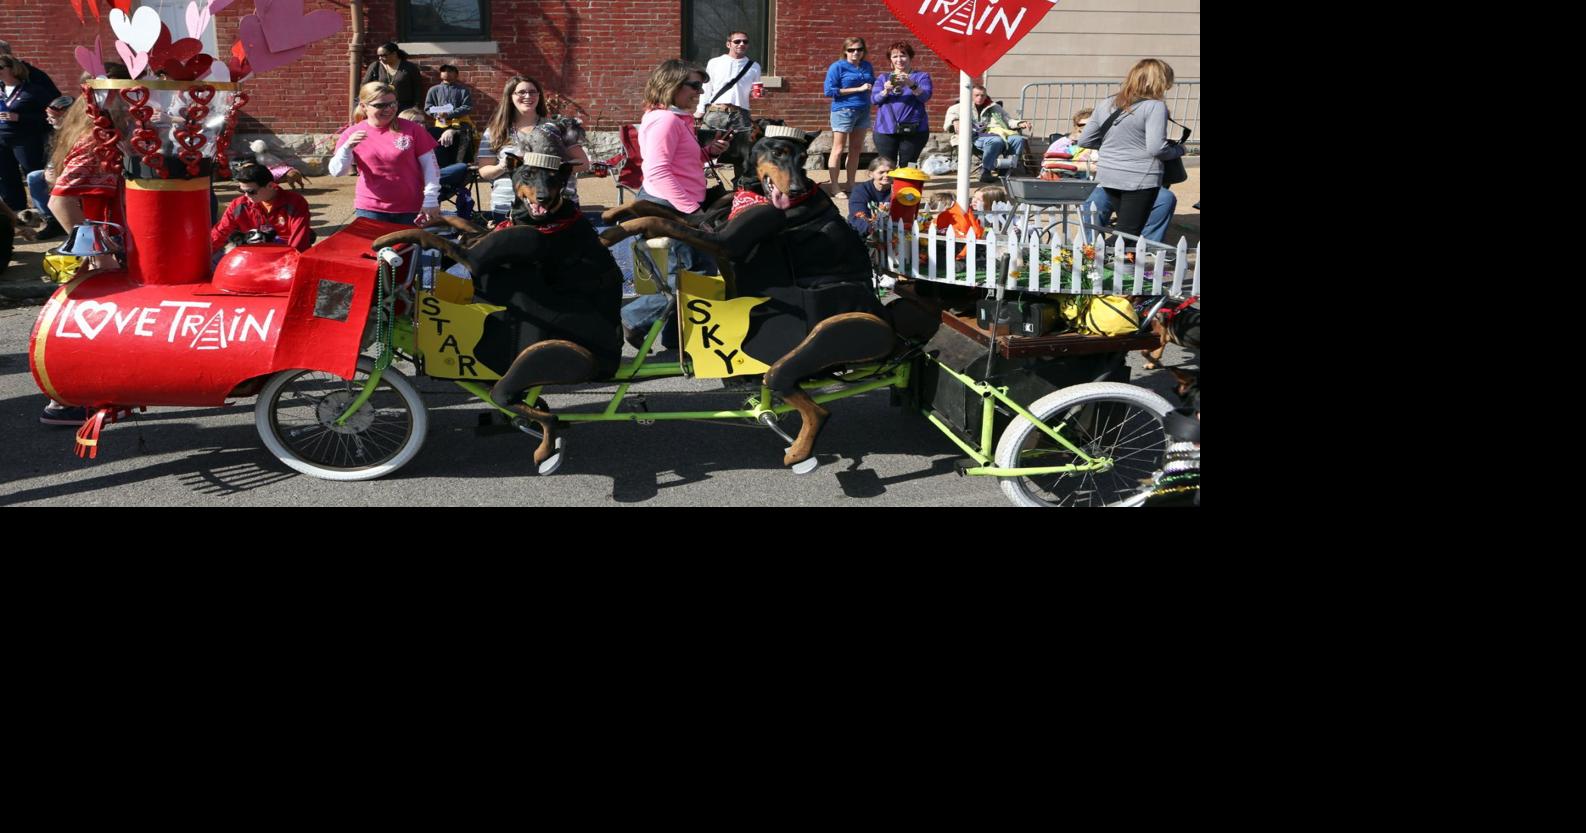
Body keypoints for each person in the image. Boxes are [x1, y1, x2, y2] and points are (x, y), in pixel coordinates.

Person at [618, 59, 730, 348]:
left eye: (701, 87)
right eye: (694, 86)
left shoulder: (675, 118)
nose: (700, 92)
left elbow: (678, 161)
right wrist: (692, 212)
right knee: (691, 277)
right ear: (672, 85)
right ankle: (632, 319)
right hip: (670, 207)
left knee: (696, 272)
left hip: (673, 204)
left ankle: (676, 341)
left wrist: (707, 152)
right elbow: (657, 171)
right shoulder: (665, 120)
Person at [1073, 58, 1185, 240]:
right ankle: (1100, 255)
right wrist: (1180, 150)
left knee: (1126, 229)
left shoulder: (1107, 102)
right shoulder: (1155, 106)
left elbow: (1085, 140)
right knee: (1128, 234)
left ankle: (1099, 253)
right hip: (1140, 177)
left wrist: (1114, 148)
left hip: (1108, 175)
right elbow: (1157, 148)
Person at [476, 75, 590, 222]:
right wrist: (503, 165)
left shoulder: (560, 127)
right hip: (509, 207)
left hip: (557, 206)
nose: (528, 96)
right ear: (510, 97)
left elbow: (583, 163)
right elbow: (484, 172)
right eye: (521, 92)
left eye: (533, 92)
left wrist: (552, 166)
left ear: (539, 96)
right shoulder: (495, 131)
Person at [329, 81, 442, 225]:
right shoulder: (352, 133)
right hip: (370, 208)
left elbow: (431, 168)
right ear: (363, 107)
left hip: (411, 207)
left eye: (393, 104)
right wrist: (347, 148)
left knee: (409, 241)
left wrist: (431, 199)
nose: (389, 109)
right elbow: (337, 172)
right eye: (380, 105)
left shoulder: (413, 129)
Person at [696, 30, 760, 184]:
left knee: (743, 154)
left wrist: (758, 93)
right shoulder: (715, 62)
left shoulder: (754, 66)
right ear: (728, 44)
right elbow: (707, 88)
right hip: (716, 111)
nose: (741, 44)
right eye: (737, 41)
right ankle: (699, 186)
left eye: (745, 41)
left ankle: (741, 188)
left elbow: (754, 90)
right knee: (704, 150)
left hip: (741, 113)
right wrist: (700, 110)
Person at [211, 163, 316, 253]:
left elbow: (299, 240)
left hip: (285, 252)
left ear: (270, 185)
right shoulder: (239, 205)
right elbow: (220, 232)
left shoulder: (294, 202)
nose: (246, 195)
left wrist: (289, 262)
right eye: (242, 190)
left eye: (251, 191)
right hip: (252, 254)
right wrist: (205, 254)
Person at [0, 54, 58, 213]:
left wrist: (20, 117)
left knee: (33, 175)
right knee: (6, 176)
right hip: (2, 138)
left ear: (12, 69)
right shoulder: (1, 90)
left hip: (25, 140)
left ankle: (46, 212)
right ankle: (16, 212)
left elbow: (49, 117)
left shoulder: (33, 91)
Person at [944, 85, 1032, 182]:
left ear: (986, 96)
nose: (980, 98)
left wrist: (1020, 123)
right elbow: (950, 120)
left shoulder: (995, 107)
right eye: (977, 95)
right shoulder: (958, 107)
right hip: (973, 136)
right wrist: (955, 121)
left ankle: (1005, 170)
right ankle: (985, 171)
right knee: (996, 141)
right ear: (970, 95)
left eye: (982, 95)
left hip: (997, 133)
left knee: (1018, 139)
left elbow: (1008, 121)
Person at [823, 36, 874, 196]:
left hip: (863, 110)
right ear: (845, 51)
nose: (855, 53)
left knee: (856, 149)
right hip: (843, 111)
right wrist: (858, 89)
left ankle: (851, 184)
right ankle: (835, 187)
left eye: (859, 49)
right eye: (851, 50)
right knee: (838, 149)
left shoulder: (866, 66)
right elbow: (829, 91)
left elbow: (872, 83)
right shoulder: (837, 67)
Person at [870, 41, 932, 168]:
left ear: (910, 57)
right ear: (891, 60)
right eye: (895, 56)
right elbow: (874, 100)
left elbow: (925, 97)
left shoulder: (921, 77)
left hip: (915, 130)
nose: (899, 59)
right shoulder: (883, 78)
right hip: (885, 129)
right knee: (887, 165)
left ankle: (907, 182)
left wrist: (911, 83)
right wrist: (886, 90)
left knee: (909, 166)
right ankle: (889, 182)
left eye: (903, 55)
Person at [24, 95, 72, 239]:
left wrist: (60, 173)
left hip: (80, 173)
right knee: (34, 177)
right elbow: (53, 158)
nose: (48, 120)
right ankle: (53, 221)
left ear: (66, 117)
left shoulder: (79, 133)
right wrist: (49, 170)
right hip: (61, 171)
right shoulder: (55, 133)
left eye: (53, 117)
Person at [423, 64, 475, 168]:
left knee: (463, 141)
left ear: (456, 74)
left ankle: (462, 166)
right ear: (440, 74)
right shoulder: (434, 90)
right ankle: (441, 167)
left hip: (461, 123)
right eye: (444, 71)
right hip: (441, 124)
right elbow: (428, 107)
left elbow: (467, 107)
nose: (446, 73)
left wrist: (449, 114)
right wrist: (437, 114)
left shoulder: (463, 90)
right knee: (439, 143)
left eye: (450, 71)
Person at [362, 42, 425, 113]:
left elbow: (417, 88)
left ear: (394, 54)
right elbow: (365, 86)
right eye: (379, 56)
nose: (380, 58)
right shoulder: (376, 66)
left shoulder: (409, 67)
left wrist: (415, 107)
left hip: (404, 107)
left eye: (383, 55)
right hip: (381, 106)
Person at [847, 155, 892, 236]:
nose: (886, 175)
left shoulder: (899, 191)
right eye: (881, 172)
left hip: (892, 230)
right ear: (871, 174)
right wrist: (871, 229)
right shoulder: (860, 191)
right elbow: (858, 215)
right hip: (863, 231)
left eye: (890, 172)